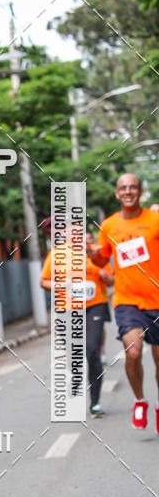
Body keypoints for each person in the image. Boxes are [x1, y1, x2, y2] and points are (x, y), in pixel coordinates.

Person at [87, 173, 159, 431]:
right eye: (123, 188)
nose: (128, 192)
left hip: (157, 300)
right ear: (117, 194)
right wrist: (93, 254)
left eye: (132, 188)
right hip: (127, 300)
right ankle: (139, 400)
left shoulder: (155, 220)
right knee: (134, 351)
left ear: (140, 192)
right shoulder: (108, 226)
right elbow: (101, 259)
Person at [40, 230, 113, 416]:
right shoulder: (57, 254)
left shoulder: (97, 253)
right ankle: (76, 375)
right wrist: (60, 286)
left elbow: (112, 279)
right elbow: (44, 281)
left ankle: (95, 402)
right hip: (67, 309)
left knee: (93, 351)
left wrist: (107, 278)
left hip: (94, 305)